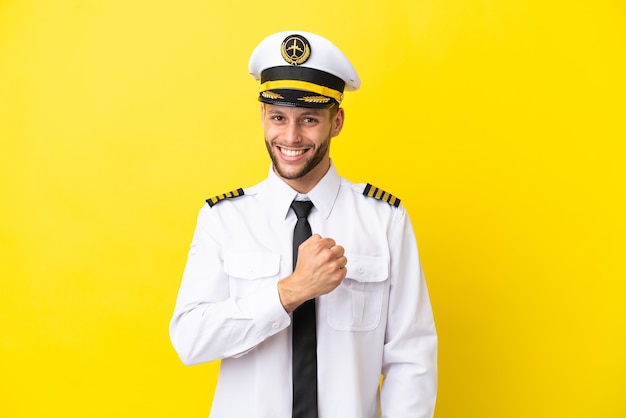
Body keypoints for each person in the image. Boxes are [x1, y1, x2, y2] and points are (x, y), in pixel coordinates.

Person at [169, 30, 438, 418]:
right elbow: (191, 340)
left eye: (309, 119)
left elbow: (411, 358)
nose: (290, 137)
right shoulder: (224, 219)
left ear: (337, 121)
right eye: (278, 117)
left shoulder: (384, 219)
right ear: (263, 116)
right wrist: (289, 292)